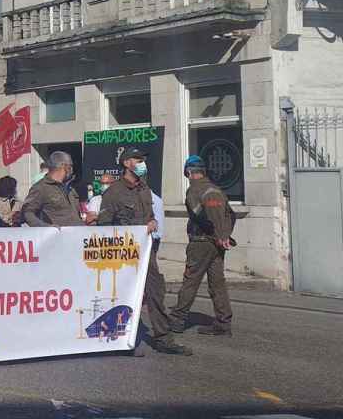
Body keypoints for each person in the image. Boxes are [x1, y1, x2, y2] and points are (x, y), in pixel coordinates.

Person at [97, 147, 190, 356]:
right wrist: (140, 227)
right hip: (123, 257)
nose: (142, 163)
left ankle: (163, 337)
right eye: (137, 159)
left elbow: (149, 216)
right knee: (123, 297)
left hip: (146, 253)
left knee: (156, 291)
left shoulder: (144, 189)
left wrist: (153, 221)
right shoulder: (114, 192)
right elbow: (104, 226)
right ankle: (119, 339)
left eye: (143, 159)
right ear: (126, 163)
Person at [170, 155, 234, 336]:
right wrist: (224, 236)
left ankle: (177, 319)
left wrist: (214, 233)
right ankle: (223, 322)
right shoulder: (217, 190)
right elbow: (230, 215)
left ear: (189, 172)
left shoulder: (194, 191)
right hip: (218, 244)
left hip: (201, 243)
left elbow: (201, 218)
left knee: (191, 280)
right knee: (217, 283)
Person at [21, 152, 83, 227]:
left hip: (78, 235)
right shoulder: (41, 187)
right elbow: (27, 213)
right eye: (70, 166)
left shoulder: (70, 188)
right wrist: (46, 227)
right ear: (63, 166)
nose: (72, 170)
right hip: (58, 236)